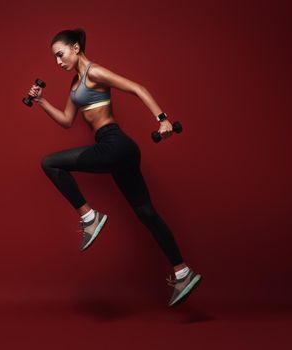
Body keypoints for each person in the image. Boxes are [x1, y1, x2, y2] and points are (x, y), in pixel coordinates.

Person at [27, 28, 201, 307]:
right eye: (55, 58)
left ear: (75, 47)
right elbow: (66, 121)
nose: (58, 62)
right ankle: (183, 272)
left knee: (50, 163)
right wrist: (41, 101)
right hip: (119, 151)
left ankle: (89, 218)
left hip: (115, 144)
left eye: (60, 55)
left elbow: (136, 88)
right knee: (147, 213)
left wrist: (162, 119)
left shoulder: (93, 73)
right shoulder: (74, 85)